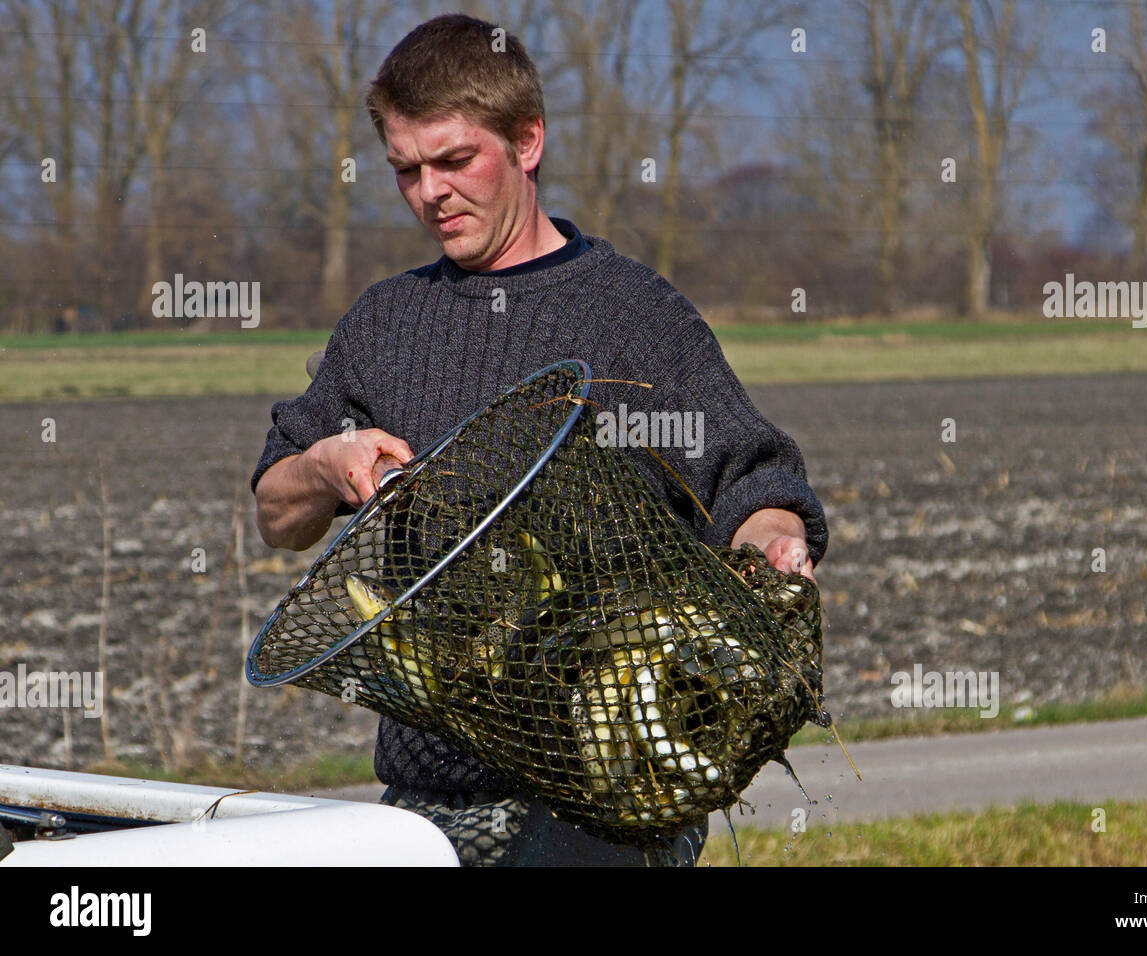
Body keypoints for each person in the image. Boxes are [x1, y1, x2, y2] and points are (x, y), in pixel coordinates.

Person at [250, 13, 827, 866]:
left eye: (453, 161)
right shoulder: (385, 323)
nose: (430, 192)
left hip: (610, 795)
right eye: (405, 170)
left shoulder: (631, 314)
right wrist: (328, 464)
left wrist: (774, 544)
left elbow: (751, 481)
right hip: (426, 803)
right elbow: (274, 510)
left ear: (527, 141)